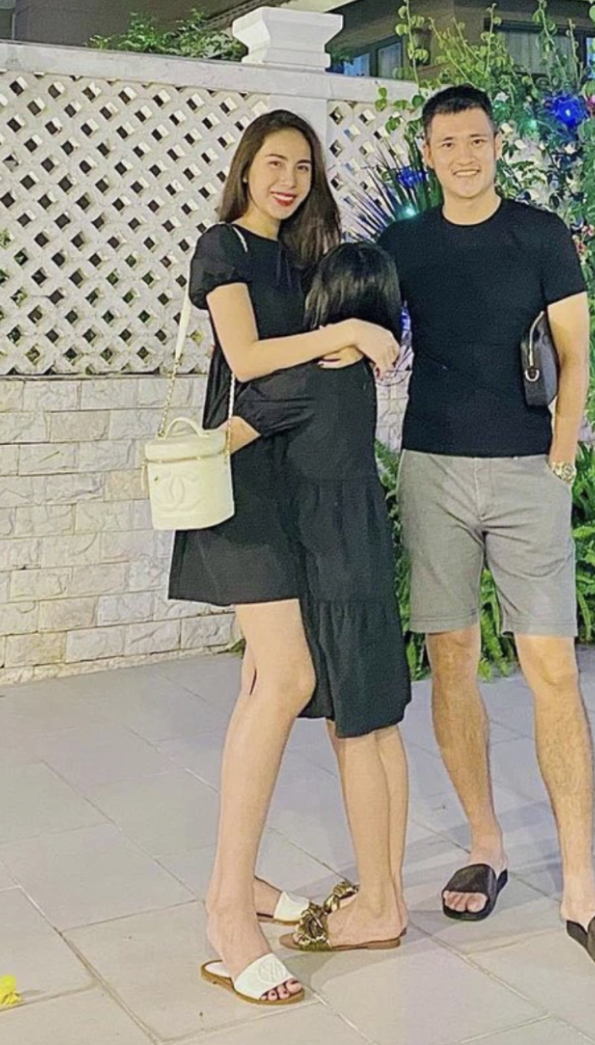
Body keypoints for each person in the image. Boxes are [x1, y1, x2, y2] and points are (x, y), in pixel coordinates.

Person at [378, 85, 595, 976]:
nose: (463, 155)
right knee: (452, 657)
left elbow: (575, 352)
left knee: (551, 667)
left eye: (476, 140)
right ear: (427, 153)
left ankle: (581, 887)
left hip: (528, 471)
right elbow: (366, 331)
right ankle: (486, 843)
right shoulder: (405, 246)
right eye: (447, 143)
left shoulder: (539, 235)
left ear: (496, 146)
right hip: (433, 469)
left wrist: (560, 457)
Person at [169, 111, 400, 1007]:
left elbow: (311, 370)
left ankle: (240, 884)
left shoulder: (305, 262)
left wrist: (354, 330)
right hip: (242, 487)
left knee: (264, 685)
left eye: (302, 167)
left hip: (292, 487)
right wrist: (346, 335)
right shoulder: (224, 247)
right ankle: (228, 912)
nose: (288, 180)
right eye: (274, 163)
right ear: (245, 168)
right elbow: (248, 356)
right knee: (290, 678)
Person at [212, 241, 411, 961]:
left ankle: (378, 910)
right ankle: (386, 891)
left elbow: (221, 440)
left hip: (330, 570)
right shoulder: (358, 374)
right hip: (366, 559)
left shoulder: (305, 376)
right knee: (380, 729)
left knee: (351, 734)